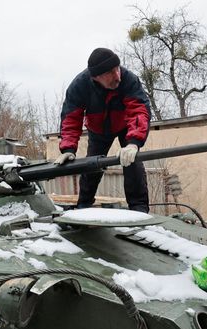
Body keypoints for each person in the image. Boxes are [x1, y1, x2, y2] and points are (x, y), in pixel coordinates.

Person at [56, 48, 151, 212]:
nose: (117, 76)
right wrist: (68, 148)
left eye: (117, 68)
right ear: (95, 77)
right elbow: (71, 118)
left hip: (125, 126)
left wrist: (134, 143)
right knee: (91, 165)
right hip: (98, 129)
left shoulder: (129, 80)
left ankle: (139, 208)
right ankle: (84, 206)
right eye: (110, 72)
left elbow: (139, 111)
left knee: (132, 161)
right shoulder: (79, 86)